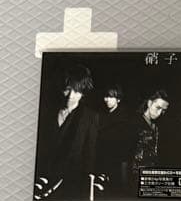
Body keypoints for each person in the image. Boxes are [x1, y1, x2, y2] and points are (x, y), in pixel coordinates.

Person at [36, 64, 99, 192]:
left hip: (70, 183)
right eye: (68, 89)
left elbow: (89, 154)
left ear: (83, 93)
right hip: (41, 177)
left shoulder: (89, 117)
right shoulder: (47, 110)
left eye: (76, 91)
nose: (70, 95)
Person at [94, 82, 129, 191]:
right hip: (100, 160)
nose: (107, 100)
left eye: (111, 97)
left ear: (118, 99)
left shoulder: (123, 118)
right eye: (106, 96)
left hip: (115, 163)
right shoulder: (100, 115)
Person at [130, 88, 170, 167]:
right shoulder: (134, 123)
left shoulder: (159, 127)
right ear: (149, 103)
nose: (159, 113)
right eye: (158, 108)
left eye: (163, 110)